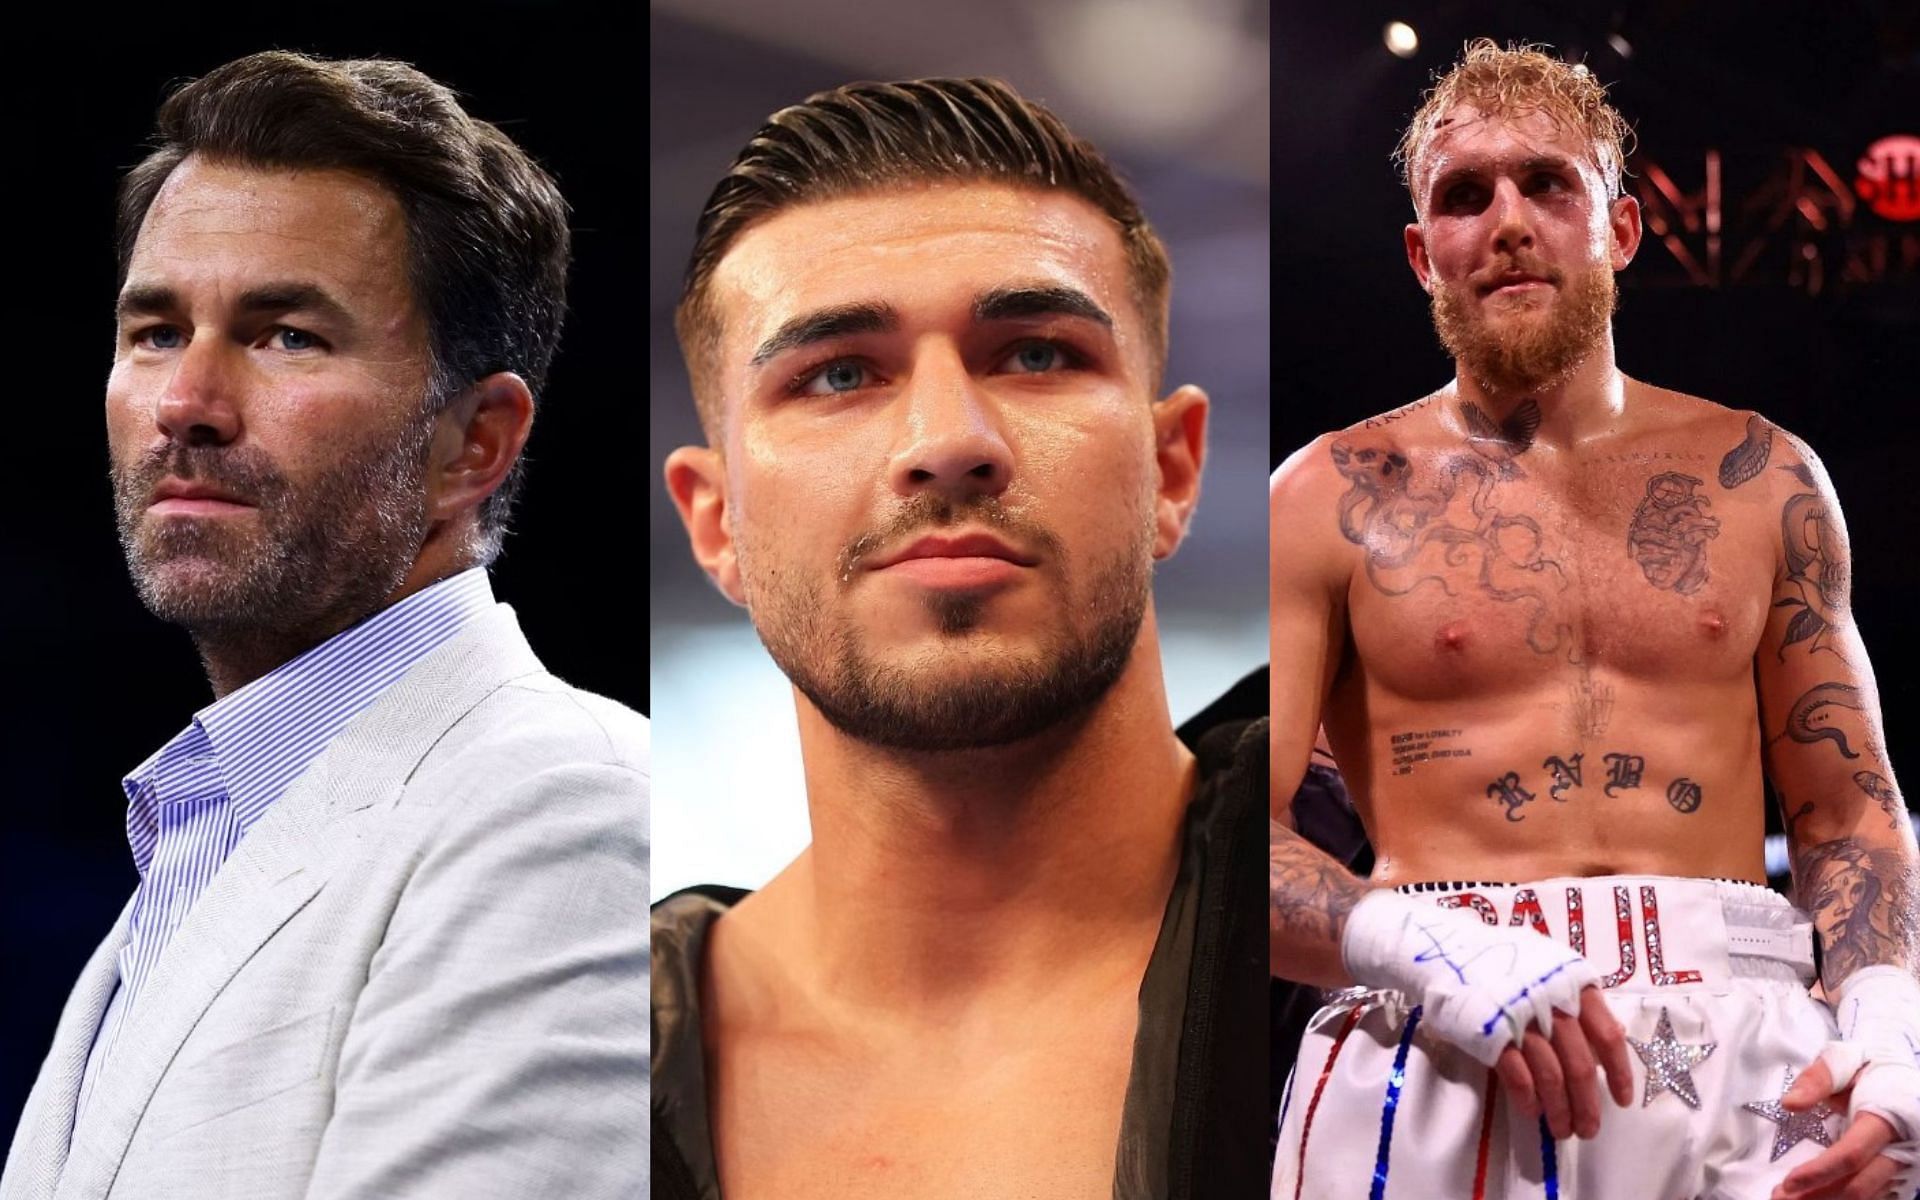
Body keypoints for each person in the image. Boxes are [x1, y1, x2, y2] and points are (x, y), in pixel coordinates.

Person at [1267, 40, 1918, 1200]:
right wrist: (1420, 945)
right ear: (1425, 256)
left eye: (1547, 183)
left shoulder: (1759, 476)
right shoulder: (1329, 496)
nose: (1508, 221)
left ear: (1618, 230)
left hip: (1742, 1047)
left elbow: (1849, 810)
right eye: (1466, 196)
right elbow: (1219, 852)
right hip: (1440, 1040)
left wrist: (1885, 1022)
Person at [2, 52, 647, 1200]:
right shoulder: (201, 830)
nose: (186, 405)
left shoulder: (562, 807)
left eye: (285, 334)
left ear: (476, 444)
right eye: (155, 331)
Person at [657, 77, 1267, 1199]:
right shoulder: (572, 1049)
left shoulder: (1397, 927)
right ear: (718, 522)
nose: (948, 441)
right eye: (838, 374)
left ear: (1172, 469)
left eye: (1035, 354)